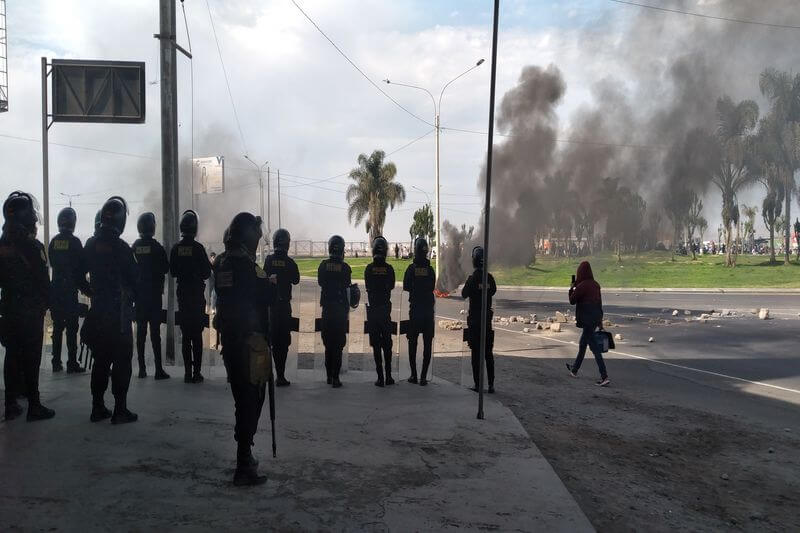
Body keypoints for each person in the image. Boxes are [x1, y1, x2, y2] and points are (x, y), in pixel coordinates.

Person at [214, 212, 273, 486]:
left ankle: (244, 456)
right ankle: (243, 461)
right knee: (252, 399)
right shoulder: (248, 267)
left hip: (230, 340)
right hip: (251, 343)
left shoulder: (222, 263)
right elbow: (266, 293)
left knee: (242, 398)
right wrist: (270, 283)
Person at [83, 196, 139, 423]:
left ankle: (97, 408)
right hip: (118, 316)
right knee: (122, 361)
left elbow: (78, 274)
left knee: (101, 361)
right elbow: (136, 281)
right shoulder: (123, 248)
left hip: (97, 313)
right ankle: (120, 410)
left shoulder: (90, 245)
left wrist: (90, 292)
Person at [0, 191, 55, 421]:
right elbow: (44, 281)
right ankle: (34, 405)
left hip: (9, 309)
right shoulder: (34, 247)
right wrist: (50, 304)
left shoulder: (1, 245)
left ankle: (11, 403)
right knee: (32, 357)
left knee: (12, 355)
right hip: (30, 311)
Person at [170, 210, 211, 383]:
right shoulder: (198, 248)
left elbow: (172, 272)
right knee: (197, 336)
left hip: (183, 297)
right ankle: (197, 372)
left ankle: (187, 372)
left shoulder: (176, 248)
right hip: (196, 297)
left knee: (186, 336)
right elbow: (207, 273)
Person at [48, 207, 88, 374]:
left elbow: (52, 262)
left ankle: (56, 362)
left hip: (56, 292)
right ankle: (72, 362)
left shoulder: (53, 242)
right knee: (72, 329)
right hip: (70, 292)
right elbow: (81, 268)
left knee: (57, 328)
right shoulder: (75, 243)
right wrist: (87, 289)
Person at [132, 212, 170, 380]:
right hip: (154, 297)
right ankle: (159, 370)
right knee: (155, 333)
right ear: (153, 227)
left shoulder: (134, 246)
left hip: (139, 297)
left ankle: (141, 369)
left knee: (140, 332)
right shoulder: (157, 247)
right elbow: (166, 268)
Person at [263, 228, 300, 387]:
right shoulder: (290, 262)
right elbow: (296, 280)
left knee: (271, 340)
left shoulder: (269, 260)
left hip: (271, 308)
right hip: (284, 307)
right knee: (283, 342)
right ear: (287, 244)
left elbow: (264, 276)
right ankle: (281, 375)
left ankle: (269, 374)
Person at [566, 261, 610, 386]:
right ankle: (574, 369)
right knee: (582, 344)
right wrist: (600, 322)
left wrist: (571, 288)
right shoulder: (596, 285)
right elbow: (599, 303)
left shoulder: (582, 286)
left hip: (587, 320)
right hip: (595, 318)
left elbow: (572, 301)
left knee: (595, 348)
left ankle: (604, 376)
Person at [317, 235, 353, 388]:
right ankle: (336, 378)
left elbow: (320, 282)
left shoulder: (323, 265)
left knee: (328, 344)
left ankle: (328, 376)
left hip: (327, 310)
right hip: (340, 311)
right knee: (338, 345)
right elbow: (347, 286)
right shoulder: (345, 267)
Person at [461, 246, 497, 393]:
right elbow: (493, 291)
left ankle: (478, 384)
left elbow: (464, 294)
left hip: (475, 322)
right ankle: (491, 385)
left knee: (476, 354)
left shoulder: (473, 278)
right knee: (488, 354)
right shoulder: (489, 278)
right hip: (487, 322)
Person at [403, 237, 435, 385]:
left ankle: (414, 375)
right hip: (428, 311)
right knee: (427, 344)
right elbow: (431, 286)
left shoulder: (411, 269)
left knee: (412, 343)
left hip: (415, 311)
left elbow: (406, 287)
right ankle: (423, 377)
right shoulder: (430, 270)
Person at [364, 236, 396, 387]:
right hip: (385, 311)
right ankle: (389, 376)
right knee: (387, 344)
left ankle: (380, 378)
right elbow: (391, 286)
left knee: (376, 345)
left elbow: (368, 287)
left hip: (373, 312)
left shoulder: (369, 269)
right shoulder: (389, 269)